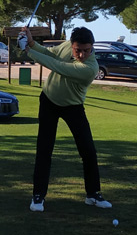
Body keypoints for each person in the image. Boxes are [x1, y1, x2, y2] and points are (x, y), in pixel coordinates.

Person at [23, 26, 112, 212]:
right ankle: (38, 196)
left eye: (86, 50)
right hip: (49, 101)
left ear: (92, 47)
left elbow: (59, 66)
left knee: (88, 151)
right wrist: (31, 43)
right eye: (77, 50)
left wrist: (28, 51)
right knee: (44, 149)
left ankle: (93, 194)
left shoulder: (90, 68)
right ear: (72, 45)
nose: (81, 54)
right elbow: (51, 54)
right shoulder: (65, 46)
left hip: (73, 107)